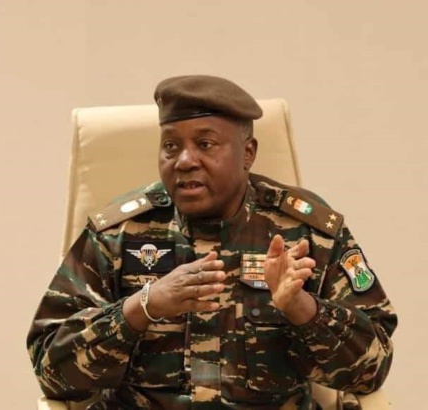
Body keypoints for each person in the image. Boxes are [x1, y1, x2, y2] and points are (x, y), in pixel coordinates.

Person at [27, 75, 397, 409]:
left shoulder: (306, 234)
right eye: (171, 146)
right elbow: (51, 371)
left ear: (247, 153)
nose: (185, 160)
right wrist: (142, 306)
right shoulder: (118, 235)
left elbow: (371, 371)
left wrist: (302, 308)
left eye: (205, 144)